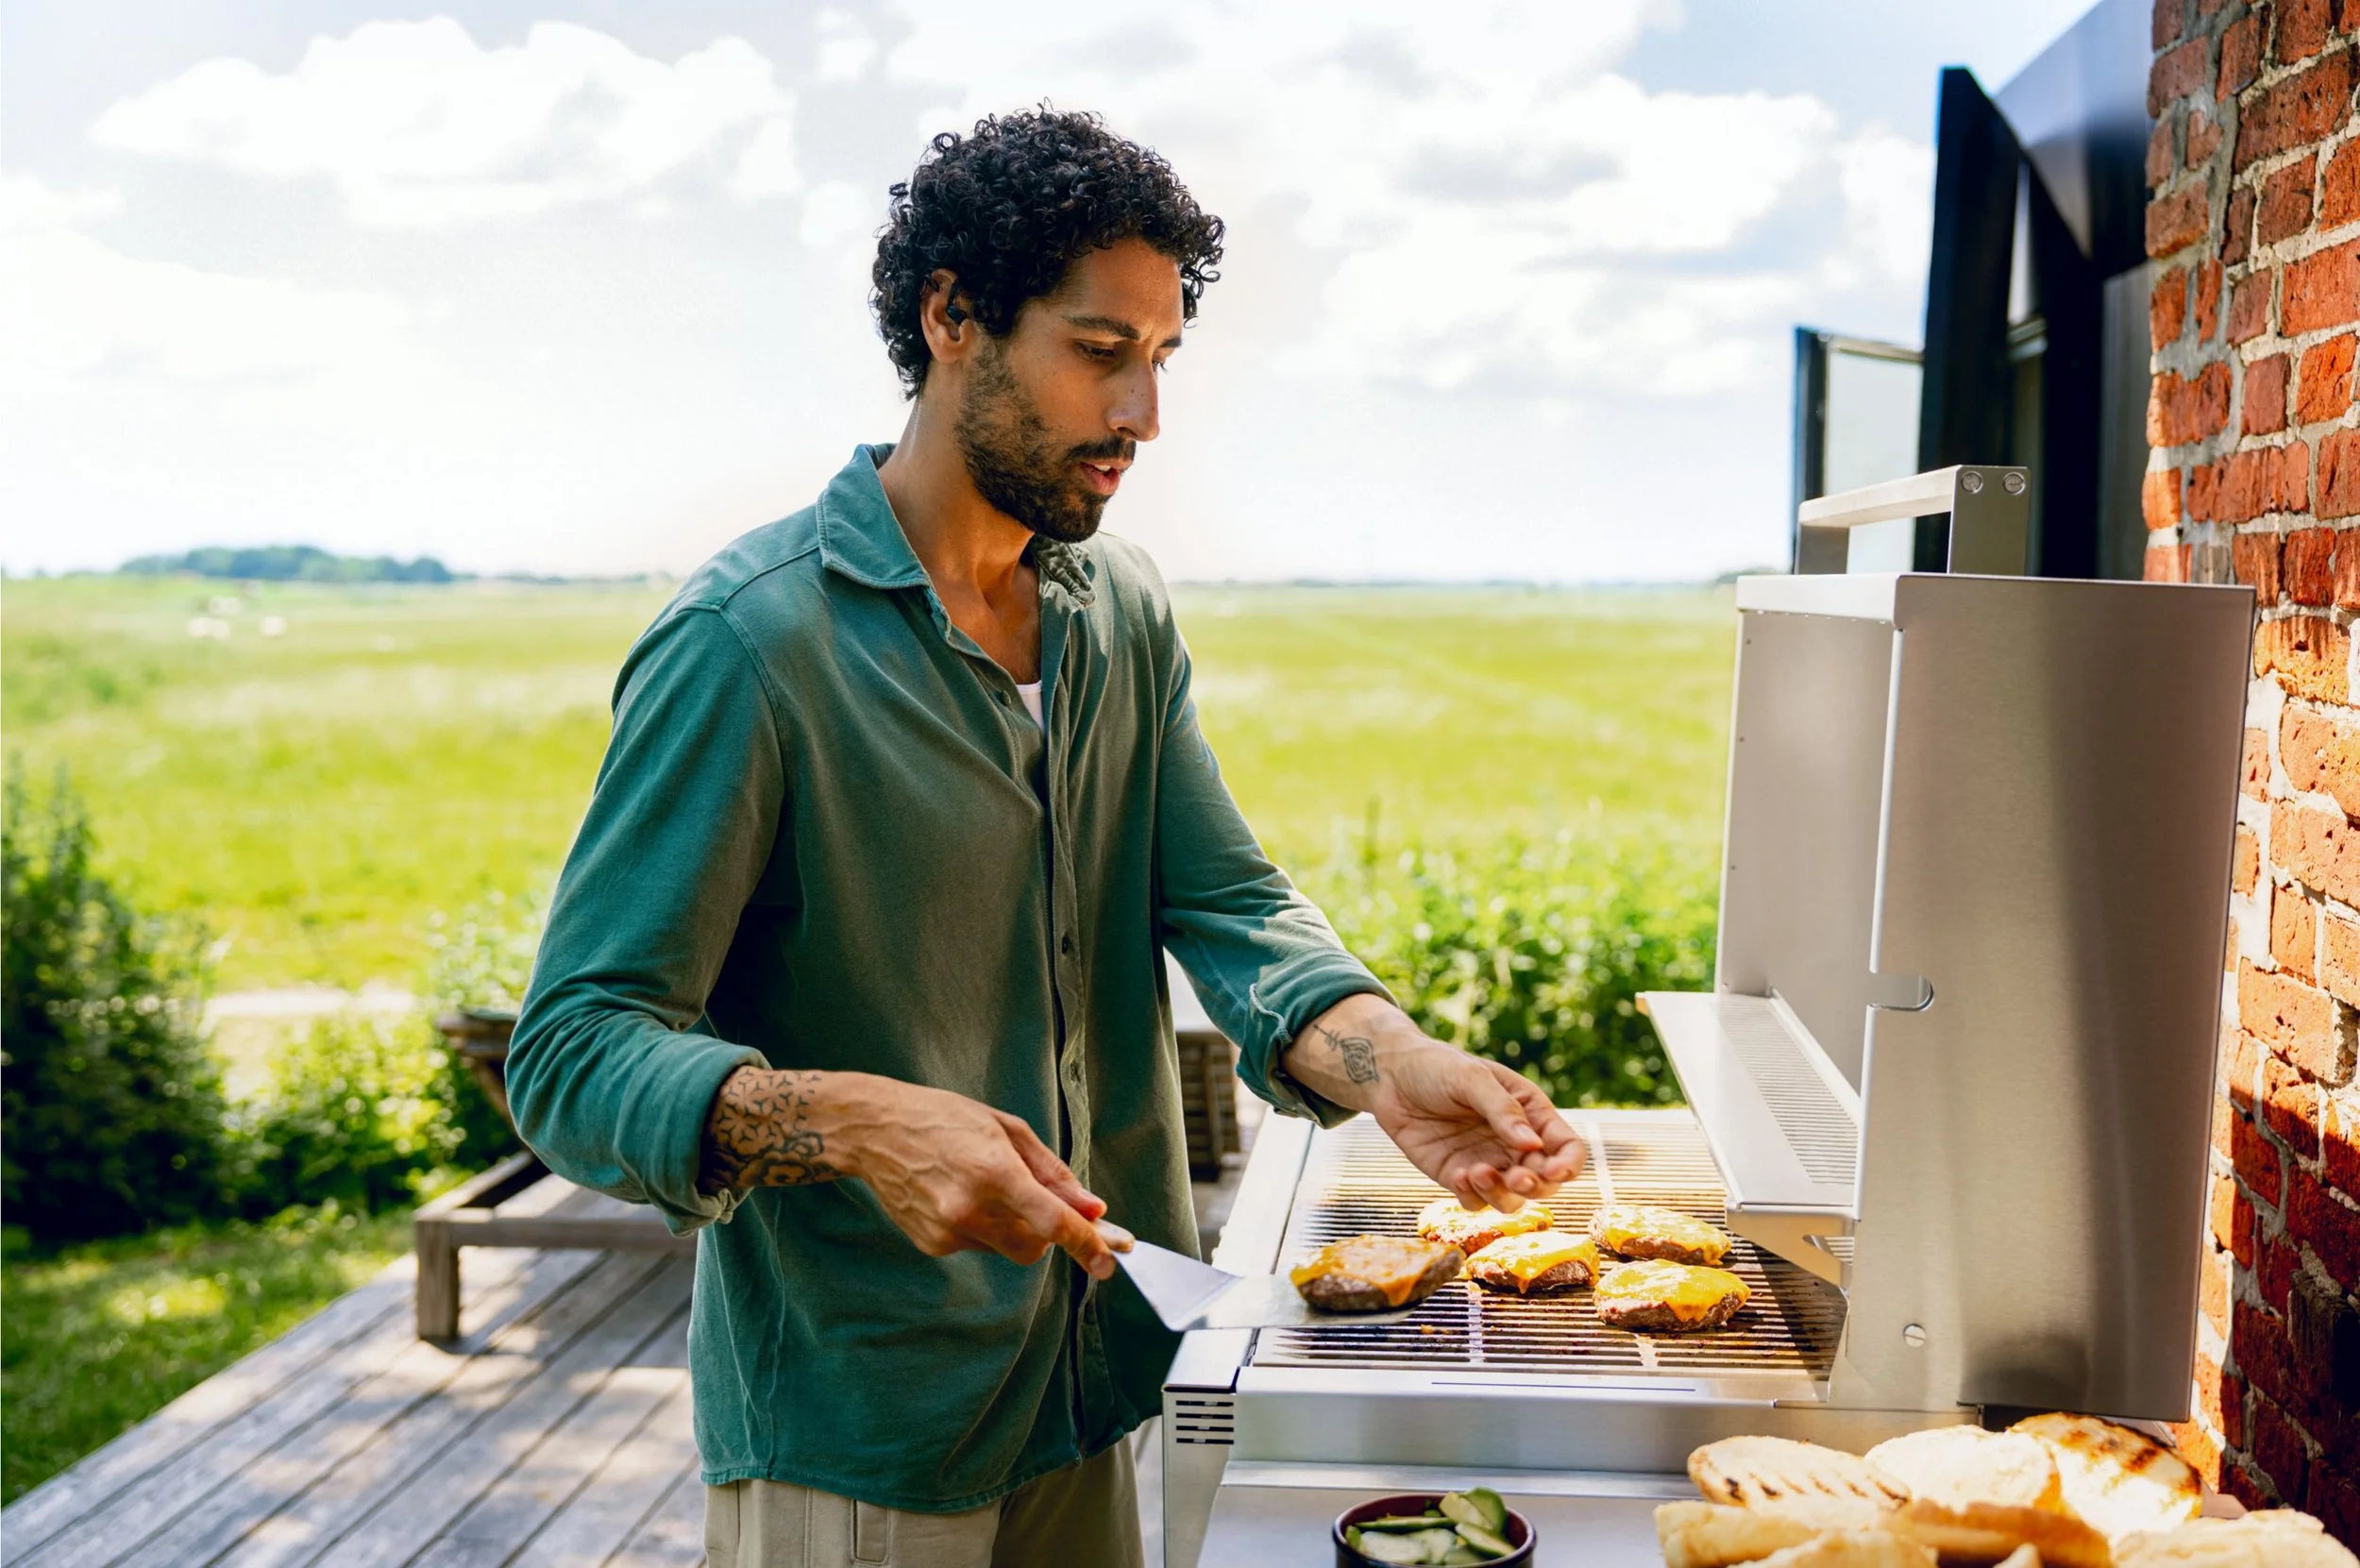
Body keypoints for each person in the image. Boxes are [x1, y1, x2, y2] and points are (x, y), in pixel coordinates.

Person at [506, 108, 1585, 1568]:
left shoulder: (1118, 609)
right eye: (1099, 350)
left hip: (1095, 1380)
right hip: (866, 1429)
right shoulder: (748, 645)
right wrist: (863, 1120)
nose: (1143, 416)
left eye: (1160, 359)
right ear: (954, 319)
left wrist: (1392, 1067)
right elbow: (574, 1052)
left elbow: (1225, 900)